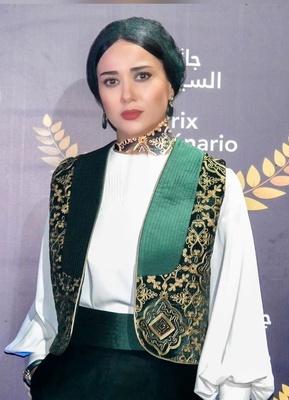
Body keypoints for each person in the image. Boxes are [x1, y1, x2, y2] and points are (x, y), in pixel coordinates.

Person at [5, 16, 274, 400]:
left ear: (171, 85)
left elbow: (236, 306)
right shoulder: (71, 178)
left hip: (169, 384)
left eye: (143, 76)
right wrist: (39, 363)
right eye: (111, 81)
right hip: (71, 379)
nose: (127, 95)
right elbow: (49, 297)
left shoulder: (211, 181)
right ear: (99, 95)